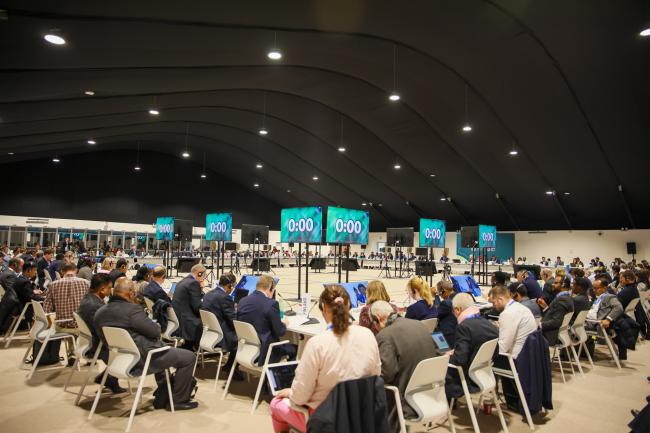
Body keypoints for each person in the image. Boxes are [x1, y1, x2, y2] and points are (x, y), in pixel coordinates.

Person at [269, 285, 381, 433]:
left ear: (324, 309)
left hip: (328, 421)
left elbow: (300, 397)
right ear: (348, 306)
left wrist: (290, 392)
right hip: (362, 415)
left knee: (275, 403)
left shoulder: (317, 343)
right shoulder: (367, 335)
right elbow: (376, 374)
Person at [94, 278, 198, 410]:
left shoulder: (100, 312)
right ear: (131, 293)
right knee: (189, 357)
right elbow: (155, 331)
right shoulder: (132, 311)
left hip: (117, 359)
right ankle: (179, 400)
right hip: (144, 358)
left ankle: (164, 393)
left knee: (161, 350)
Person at [371, 300, 437, 433]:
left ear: (378, 319)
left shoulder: (386, 335)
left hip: (405, 401)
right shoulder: (420, 325)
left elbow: (386, 375)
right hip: (432, 394)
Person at [77, 273, 126, 393]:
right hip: (96, 346)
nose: (111, 291)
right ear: (102, 289)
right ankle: (109, 378)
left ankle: (108, 378)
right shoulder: (95, 306)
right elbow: (104, 331)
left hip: (88, 341)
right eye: (110, 288)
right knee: (130, 350)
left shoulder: (88, 299)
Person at [445, 293, 499, 399]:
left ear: (457, 310)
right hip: (485, 372)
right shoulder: (489, 325)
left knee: (440, 365)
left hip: (468, 377)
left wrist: (447, 357)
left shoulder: (464, 327)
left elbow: (460, 359)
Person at [237, 274, 297, 365]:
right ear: (270, 287)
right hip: (266, 351)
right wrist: (284, 323)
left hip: (246, 348)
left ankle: (268, 378)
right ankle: (278, 378)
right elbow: (280, 331)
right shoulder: (271, 304)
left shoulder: (242, 301)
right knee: (295, 349)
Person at [200, 272, 241, 378]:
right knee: (242, 339)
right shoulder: (225, 297)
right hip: (221, 335)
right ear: (230, 285)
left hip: (209, 332)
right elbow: (233, 320)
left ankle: (229, 365)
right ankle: (232, 368)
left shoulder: (209, 294)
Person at [489, 285, 536, 359]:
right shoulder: (520, 307)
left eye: (493, 302)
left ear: (500, 299)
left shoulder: (507, 314)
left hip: (515, 360)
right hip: (528, 356)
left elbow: (503, 348)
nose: (493, 306)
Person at [43, 261, 89, 337]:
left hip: (61, 325)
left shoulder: (52, 285)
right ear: (76, 270)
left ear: (61, 272)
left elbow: (47, 308)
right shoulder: (86, 283)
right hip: (82, 325)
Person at [586, 277, 625, 358]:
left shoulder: (609, 297)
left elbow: (619, 308)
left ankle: (570, 355)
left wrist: (608, 319)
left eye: (596, 288)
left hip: (596, 324)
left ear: (605, 288)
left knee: (572, 327)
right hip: (592, 321)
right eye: (593, 288)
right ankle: (585, 353)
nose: (594, 290)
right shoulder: (601, 297)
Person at [172, 264, 206, 350]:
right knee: (210, 321)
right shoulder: (193, 283)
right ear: (199, 273)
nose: (204, 278)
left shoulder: (183, 281)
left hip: (179, 318)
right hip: (188, 322)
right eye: (204, 275)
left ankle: (189, 346)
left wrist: (200, 290)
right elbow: (197, 306)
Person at [537, 275, 575, 345]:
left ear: (563, 285)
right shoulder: (566, 297)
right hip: (556, 333)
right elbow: (556, 314)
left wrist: (539, 325)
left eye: (556, 283)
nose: (552, 284)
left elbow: (556, 321)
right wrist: (545, 307)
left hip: (550, 335)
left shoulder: (562, 299)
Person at [435, 279, 458, 346]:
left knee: (433, 329)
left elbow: (435, 313)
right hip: (458, 333)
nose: (440, 296)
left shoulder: (446, 303)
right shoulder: (459, 297)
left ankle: (441, 351)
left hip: (448, 337)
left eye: (440, 294)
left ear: (444, 291)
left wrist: (435, 296)